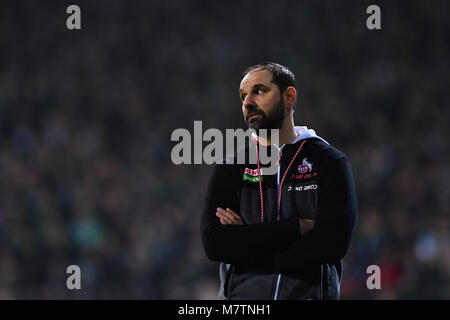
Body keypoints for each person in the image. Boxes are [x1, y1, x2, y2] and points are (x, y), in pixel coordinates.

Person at [201, 62, 357, 300]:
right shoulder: (230, 167)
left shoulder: (329, 161)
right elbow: (214, 244)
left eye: (259, 91)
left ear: (289, 97)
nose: (248, 102)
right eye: (243, 96)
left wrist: (246, 243)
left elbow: (332, 244)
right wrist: (294, 228)